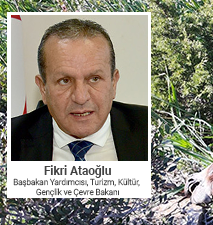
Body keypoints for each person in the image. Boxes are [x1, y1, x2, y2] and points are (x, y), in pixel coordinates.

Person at [11, 18, 148, 161]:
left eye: (94, 79)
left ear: (113, 83)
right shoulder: (10, 141)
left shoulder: (150, 131)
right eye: (64, 81)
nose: (80, 97)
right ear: (43, 88)